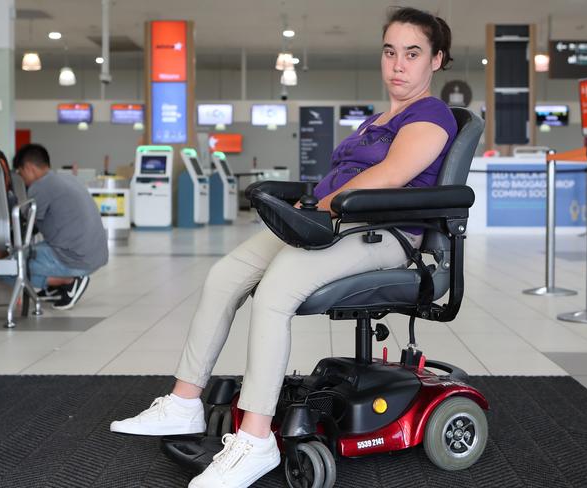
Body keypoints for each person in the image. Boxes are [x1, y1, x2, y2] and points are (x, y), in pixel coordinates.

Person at [111, 6, 456, 487]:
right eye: (390, 51)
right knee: (225, 275)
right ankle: (184, 403)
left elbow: (393, 175)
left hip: (382, 233)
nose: (398, 64)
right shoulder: (376, 119)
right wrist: (306, 202)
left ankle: (255, 441)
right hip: (336, 222)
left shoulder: (431, 114)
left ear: (436, 60)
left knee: (275, 293)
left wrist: (326, 203)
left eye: (413, 53)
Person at [12, 143, 108, 310]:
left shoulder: (39, 187)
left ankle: (68, 281)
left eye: (20, 173)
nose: (21, 178)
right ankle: (54, 288)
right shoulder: (67, 179)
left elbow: (27, 229)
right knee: (37, 249)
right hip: (95, 254)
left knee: (11, 264)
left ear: (28, 168)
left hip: (75, 259)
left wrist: (1, 245)